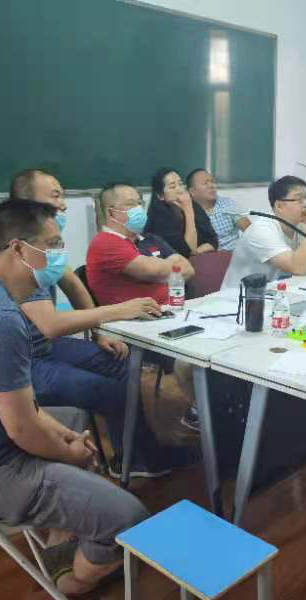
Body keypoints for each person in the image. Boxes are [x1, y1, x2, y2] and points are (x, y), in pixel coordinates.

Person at [0, 199, 149, 597]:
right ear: (18, 249)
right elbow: (23, 428)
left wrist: (65, 440)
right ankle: (71, 583)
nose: (60, 254)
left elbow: (25, 410)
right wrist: (69, 453)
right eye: (53, 244)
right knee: (131, 518)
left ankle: (62, 536)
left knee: (71, 420)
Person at [0, 169, 169, 479]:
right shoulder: (18, 255)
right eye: (55, 196)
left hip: (45, 348)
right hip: (23, 361)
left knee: (126, 363)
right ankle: (130, 461)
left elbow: (72, 283)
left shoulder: (41, 244)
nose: (64, 204)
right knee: (110, 390)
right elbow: (50, 324)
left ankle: (135, 453)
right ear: (27, 203)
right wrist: (118, 311)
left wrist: (98, 334)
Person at [86, 183, 200, 431]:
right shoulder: (105, 242)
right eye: (130, 205)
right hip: (136, 329)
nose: (138, 208)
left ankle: (206, 411)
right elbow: (153, 270)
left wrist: (167, 267)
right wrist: (169, 265)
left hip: (167, 315)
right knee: (198, 357)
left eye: (139, 202)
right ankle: (204, 413)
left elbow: (188, 268)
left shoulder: (144, 240)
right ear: (111, 212)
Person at [221, 175, 306, 288]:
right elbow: (298, 268)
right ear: (279, 206)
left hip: (276, 292)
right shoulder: (261, 230)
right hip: (239, 297)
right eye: (299, 199)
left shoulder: (301, 225)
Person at [144, 167, 218, 258]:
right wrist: (188, 210)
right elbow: (187, 250)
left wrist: (196, 252)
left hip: (198, 260)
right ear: (160, 195)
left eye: (180, 184)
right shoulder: (160, 220)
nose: (180, 189)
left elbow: (213, 241)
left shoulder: (193, 205)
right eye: (172, 187)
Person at [186, 168, 250, 251]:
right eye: (205, 183)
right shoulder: (187, 212)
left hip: (233, 255)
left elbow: (250, 232)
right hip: (205, 257)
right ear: (192, 191)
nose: (211, 186)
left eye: (212, 182)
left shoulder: (228, 204)